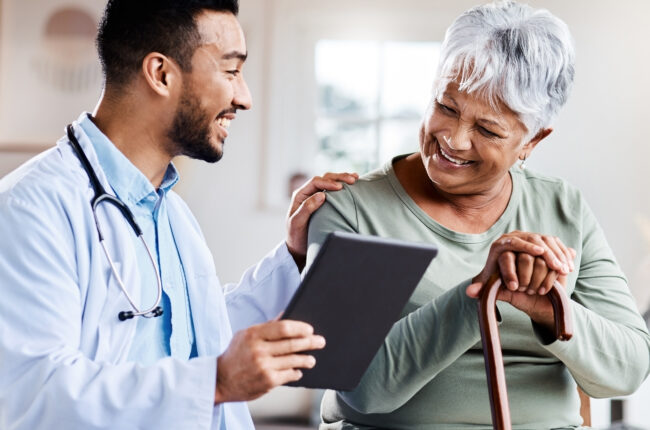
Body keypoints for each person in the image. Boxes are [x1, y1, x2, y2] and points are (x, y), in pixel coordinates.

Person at [0, 1, 359, 429]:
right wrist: (215, 382)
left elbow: (198, 337)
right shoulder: (30, 208)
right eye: (231, 71)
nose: (244, 98)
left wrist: (293, 257)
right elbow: (31, 394)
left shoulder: (169, 209)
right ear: (161, 74)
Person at [307, 1, 650, 428]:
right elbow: (358, 388)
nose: (453, 139)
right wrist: (480, 295)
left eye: (487, 130)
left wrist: (548, 306)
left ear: (533, 141)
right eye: (446, 107)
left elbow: (629, 369)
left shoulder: (563, 208)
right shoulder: (353, 208)